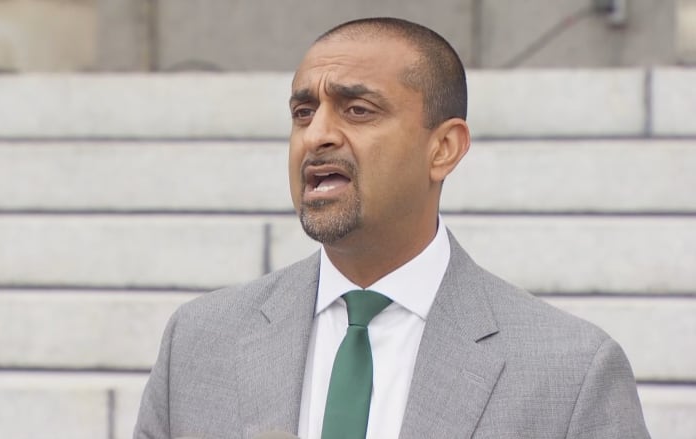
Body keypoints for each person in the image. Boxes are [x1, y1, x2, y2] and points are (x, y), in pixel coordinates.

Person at [134, 17, 650, 439]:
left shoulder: (571, 370)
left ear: (444, 148)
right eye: (303, 111)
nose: (317, 136)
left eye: (358, 110)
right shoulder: (199, 343)